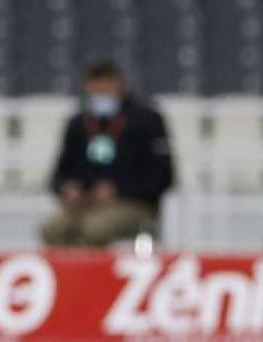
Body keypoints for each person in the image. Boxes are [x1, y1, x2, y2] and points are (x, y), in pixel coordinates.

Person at [39, 59, 174, 247]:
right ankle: (69, 275)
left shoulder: (147, 120)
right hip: (85, 203)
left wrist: (119, 190)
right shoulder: (79, 123)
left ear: (120, 86)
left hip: (133, 204)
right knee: (51, 228)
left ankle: (94, 275)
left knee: (94, 229)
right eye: (95, 92)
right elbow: (58, 175)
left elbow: (162, 177)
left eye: (106, 91)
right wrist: (68, 188)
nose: (100, 97)